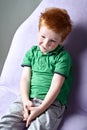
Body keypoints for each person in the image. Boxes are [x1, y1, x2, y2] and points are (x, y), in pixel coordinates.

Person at [0, 7, 72, 130]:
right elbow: (25, 79)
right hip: (28, 98)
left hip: (52, 103)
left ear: (61, 40)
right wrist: (25, 100)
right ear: (38, 31)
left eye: (52, 41)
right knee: (6, 123)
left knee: (38, 127)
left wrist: (40, 109)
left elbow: (56, 86)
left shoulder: (63, 57)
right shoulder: (31, 53)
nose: (45, 44)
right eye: (43, 36)